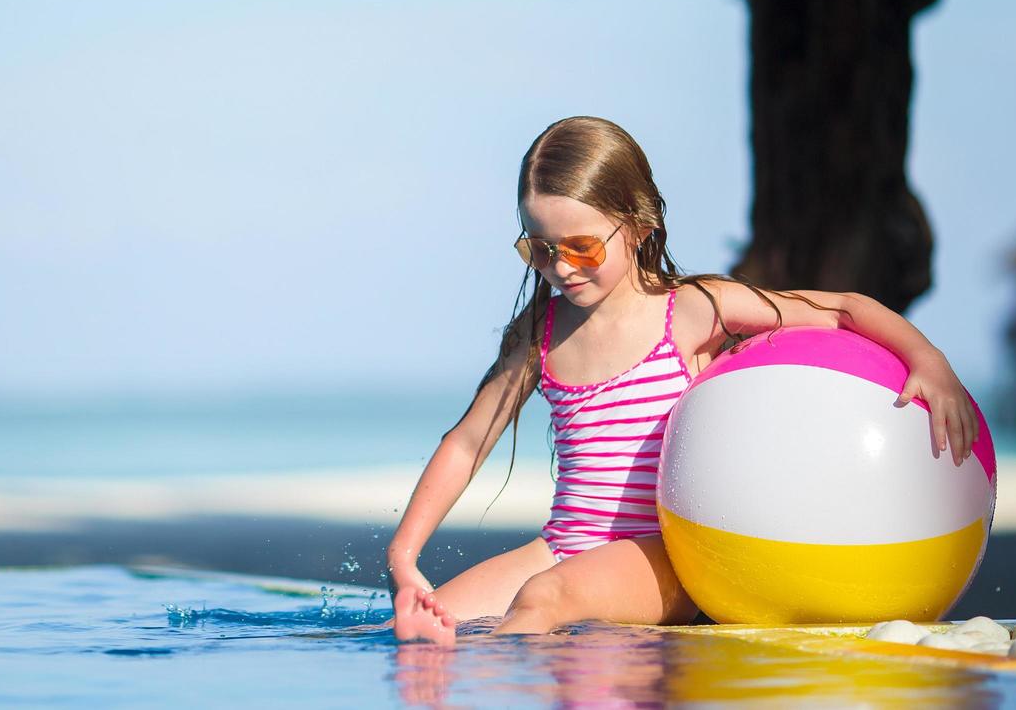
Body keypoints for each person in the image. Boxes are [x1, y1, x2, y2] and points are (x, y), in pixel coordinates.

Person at [388, 116, 980, 645]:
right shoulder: (539, 334)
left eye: (582, 247)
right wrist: (405, 555)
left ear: (639, 224)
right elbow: (468, 443)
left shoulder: (691, 311)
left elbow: (842, 310)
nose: (561, 267)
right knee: (423, 625)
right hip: (566, 545)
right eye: (538, 250)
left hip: (672, 557)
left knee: (544, 599)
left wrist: (930, 361)